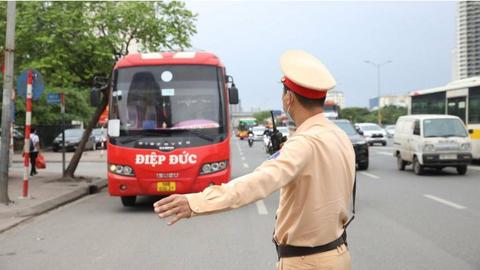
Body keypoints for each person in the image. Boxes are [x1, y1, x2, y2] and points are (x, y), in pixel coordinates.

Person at [153, 50, 356, 270]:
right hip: (338, 254)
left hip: (306, 263)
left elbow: (257, 182)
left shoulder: (303, 144)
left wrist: (195, 202)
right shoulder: (339, 135)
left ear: (288, 99)